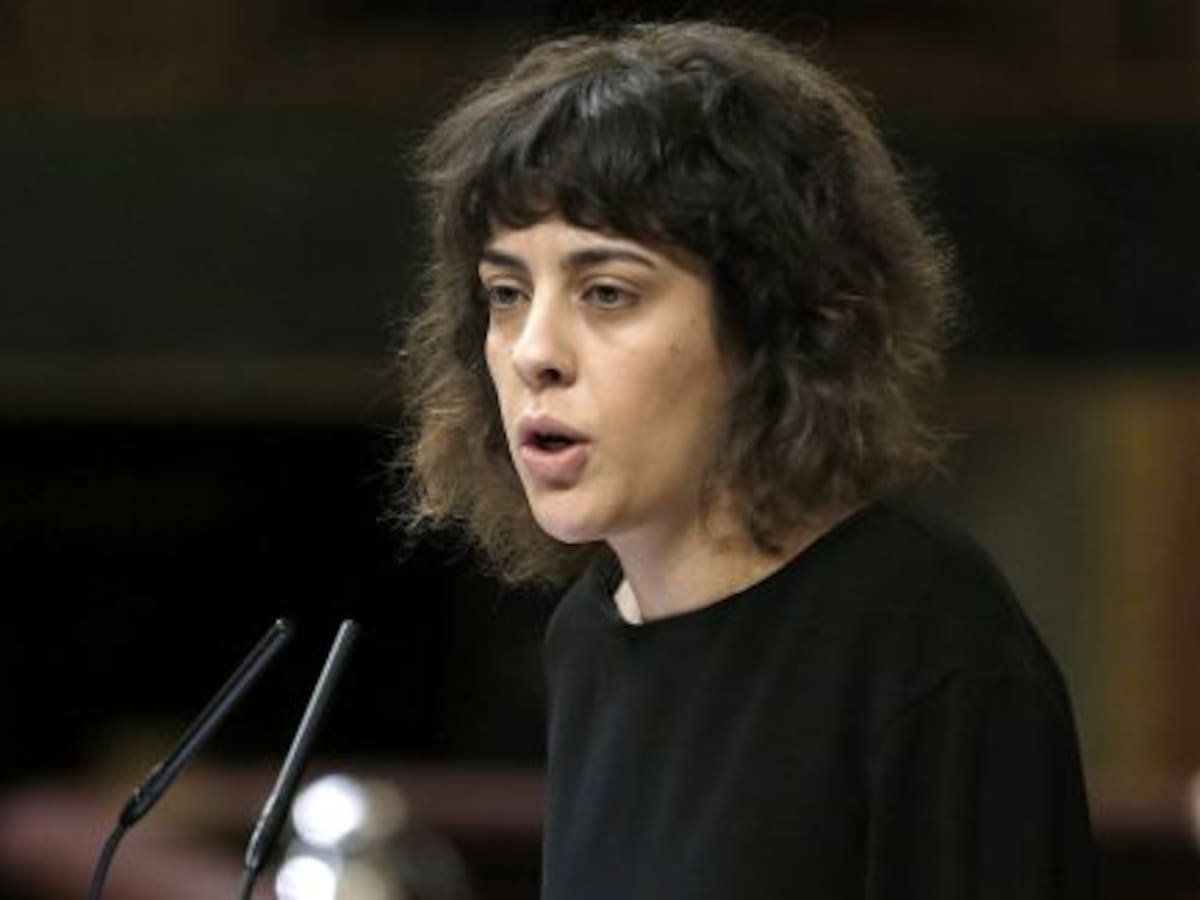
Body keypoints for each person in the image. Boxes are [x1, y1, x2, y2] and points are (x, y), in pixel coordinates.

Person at [396, 19, 1094, 899]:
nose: (534, 351)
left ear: (770, 323)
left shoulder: (924, 637)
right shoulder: (590, 633)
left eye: (607, 292)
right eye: (506, 293)